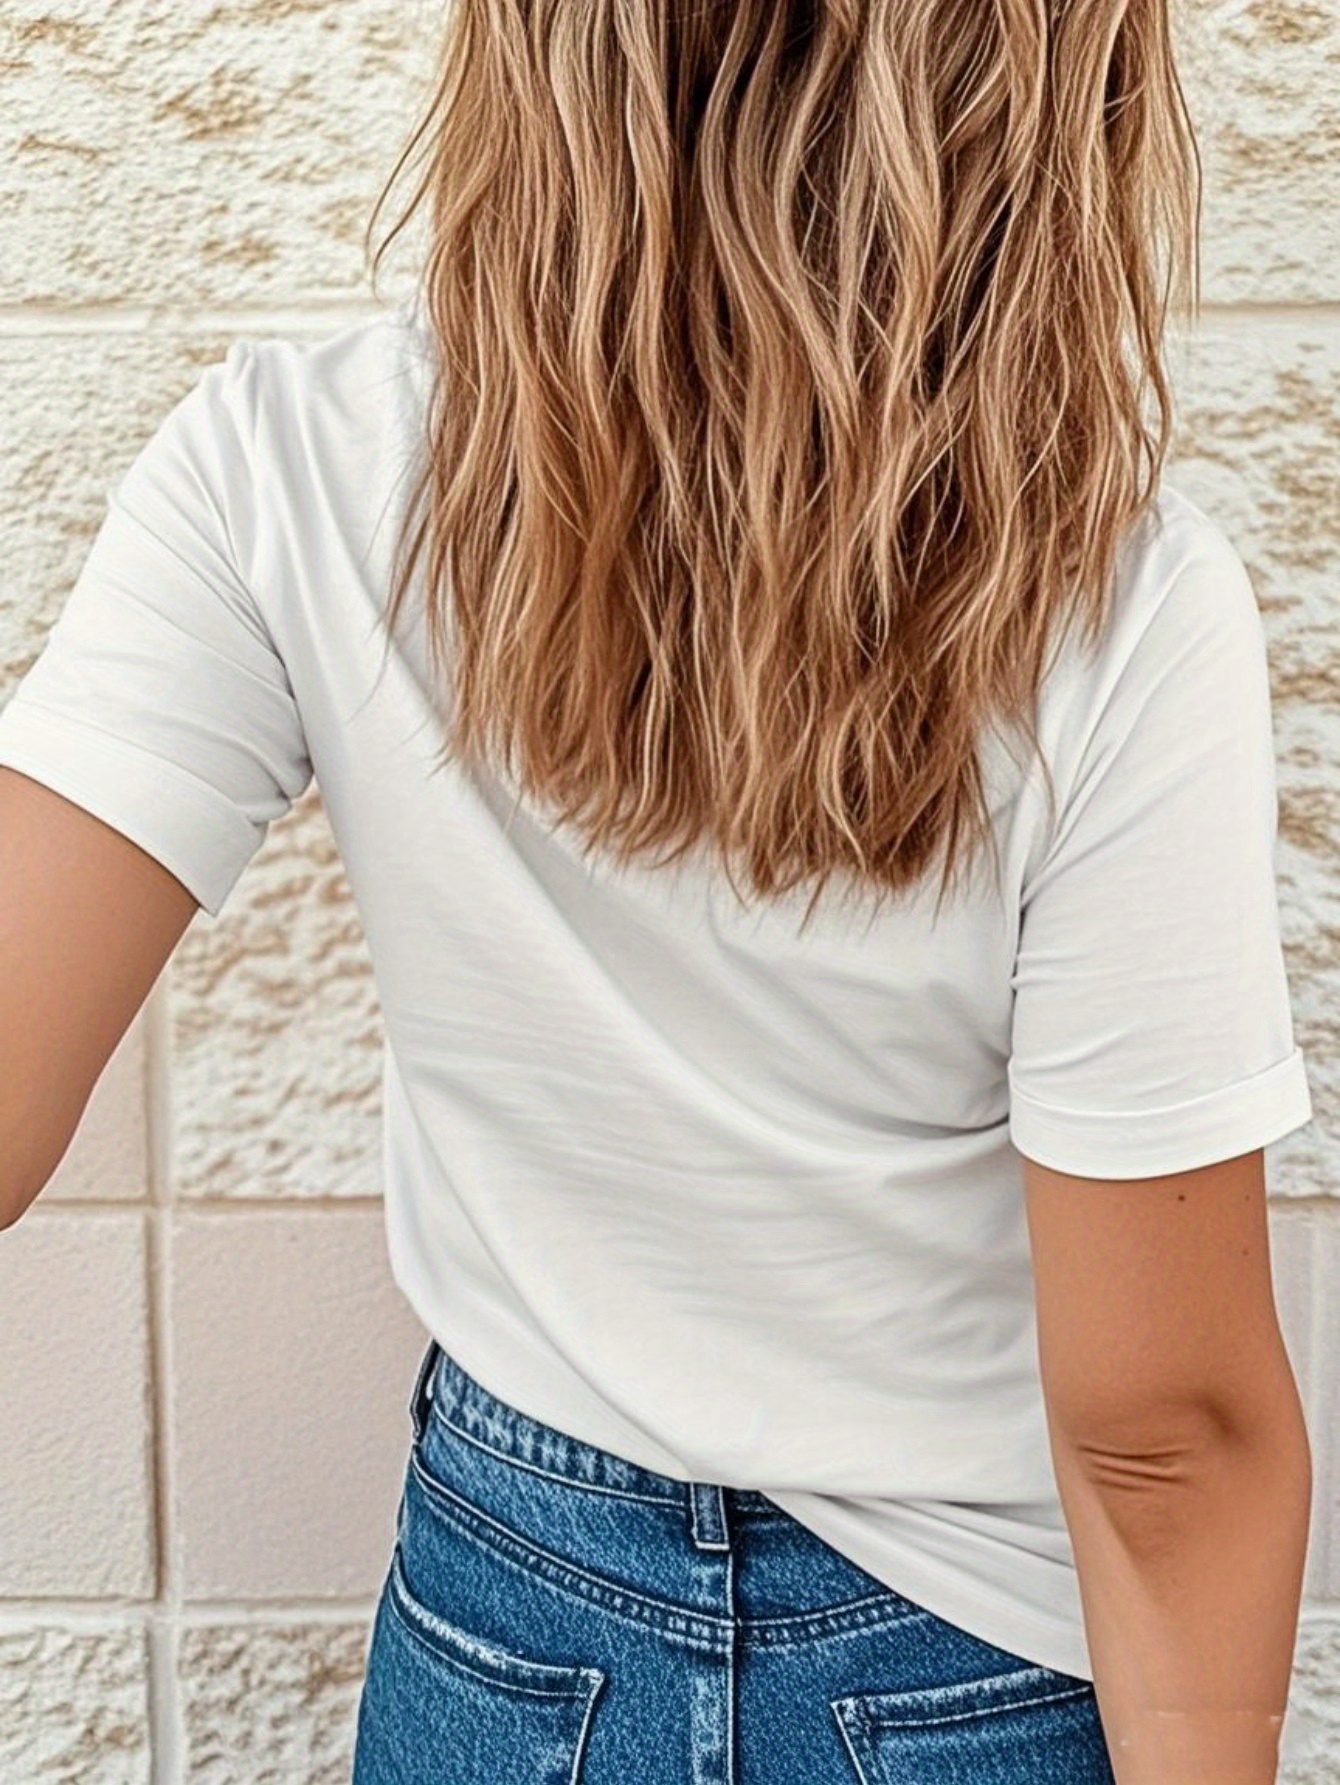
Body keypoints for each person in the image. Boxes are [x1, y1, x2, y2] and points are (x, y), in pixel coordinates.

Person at [0, 2, 1315, 1781]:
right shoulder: (1126, 611)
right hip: (962, 1671)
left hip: (503, 1631)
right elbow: (1163, 1439)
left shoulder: (284, 468)